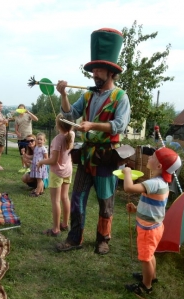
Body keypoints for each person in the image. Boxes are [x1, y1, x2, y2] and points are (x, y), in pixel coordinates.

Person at [56, 28, 131, 254]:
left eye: (99, 70)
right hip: (87, 155)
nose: (94, 74)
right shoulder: (87, 95)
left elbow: (119, 125)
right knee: (77, 197)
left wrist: (93, 126)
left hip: (107, 156)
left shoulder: (120, 97)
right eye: (93, 70)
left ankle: (103, 239)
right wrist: (63, 95)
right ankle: (75, 237)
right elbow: (70, 116)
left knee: (105, 201)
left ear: (110, 72)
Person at [122, 147, 181, 294]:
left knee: (145, 258)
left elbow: (128, 187)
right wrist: (137, 209)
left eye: (153, 157)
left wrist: (127, 172)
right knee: (150, 254)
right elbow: (154, 206)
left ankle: (146, 286)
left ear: (159, 166)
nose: (149, 158)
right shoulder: (160, 183)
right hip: (154, 226)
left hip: (148, 230)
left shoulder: (155, 183)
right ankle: (151, 276)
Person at [36, 114, 75, 236]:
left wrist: (41, 161)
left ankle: (56, 229)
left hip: (57, 172)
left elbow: (54, 161)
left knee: (56, 200)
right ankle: (65, 224)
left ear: (58, 125)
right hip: (68, 170)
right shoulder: (71, 134)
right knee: (65, 197)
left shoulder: (58, 139)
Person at [14, 104, 38, 172]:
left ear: (24, 109)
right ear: (18, 110)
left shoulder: (28, 116)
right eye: (20, 109)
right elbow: (16, 129)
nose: (21, 110)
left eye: (22, 108)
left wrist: (29, 112)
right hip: (21, 138)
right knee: (22, 153)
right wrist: (17, 133)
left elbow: (36, 119)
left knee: (29, 152)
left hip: (29, 138)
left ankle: (30, 167)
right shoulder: (17, 118)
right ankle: (23, 167)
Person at [29, 132, 48, 197]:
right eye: (38, 139)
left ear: (44, 141)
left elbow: (46, 158)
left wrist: (41, 163)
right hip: (36, 166)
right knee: (38, 179)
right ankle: (41, 190)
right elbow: (35, 155)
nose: (39, 140)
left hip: (40, 167)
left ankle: (37, 192)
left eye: (41, 139)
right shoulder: (36, 147)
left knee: (39, 180)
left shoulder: (44, 149)